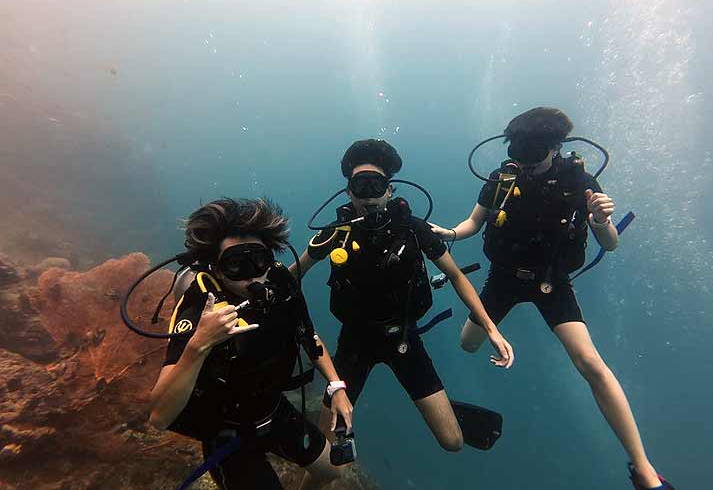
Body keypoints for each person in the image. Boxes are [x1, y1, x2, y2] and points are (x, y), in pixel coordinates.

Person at [429, 107, 676, 490]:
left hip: (552, 282)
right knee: (466, 345)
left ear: (556, 147)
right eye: (519, 150)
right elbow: (474, 222)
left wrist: (599, 221)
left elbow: (610, 245)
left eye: (534, 151)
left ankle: (643, 468)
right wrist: (448, 233)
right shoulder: (502, 179)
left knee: (591, 362)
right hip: (504, 279)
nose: (526, 161)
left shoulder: (580, 181)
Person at [290, 139, 514, 459]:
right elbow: (290, 275)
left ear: (390, 190)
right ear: (348, 192)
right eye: (360, 185)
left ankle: (441, 408)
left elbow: (455, 275)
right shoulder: (335, 232)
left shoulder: (413, 229)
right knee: (329, 452)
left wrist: (491, 328)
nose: (368, 193)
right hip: (355, 343)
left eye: (375, 184)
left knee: (453, 441)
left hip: (405, 339)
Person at [148, 198, 353, 490]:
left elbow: (308, 335)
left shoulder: (279, 280)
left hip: (273, 409)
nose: (253, 275)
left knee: (333, 472)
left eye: (258, 260)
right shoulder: (198, 308)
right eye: (235, 265)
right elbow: (159, 416)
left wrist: (336, 387)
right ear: (216, 269)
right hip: (228, 432)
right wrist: (199, 344)